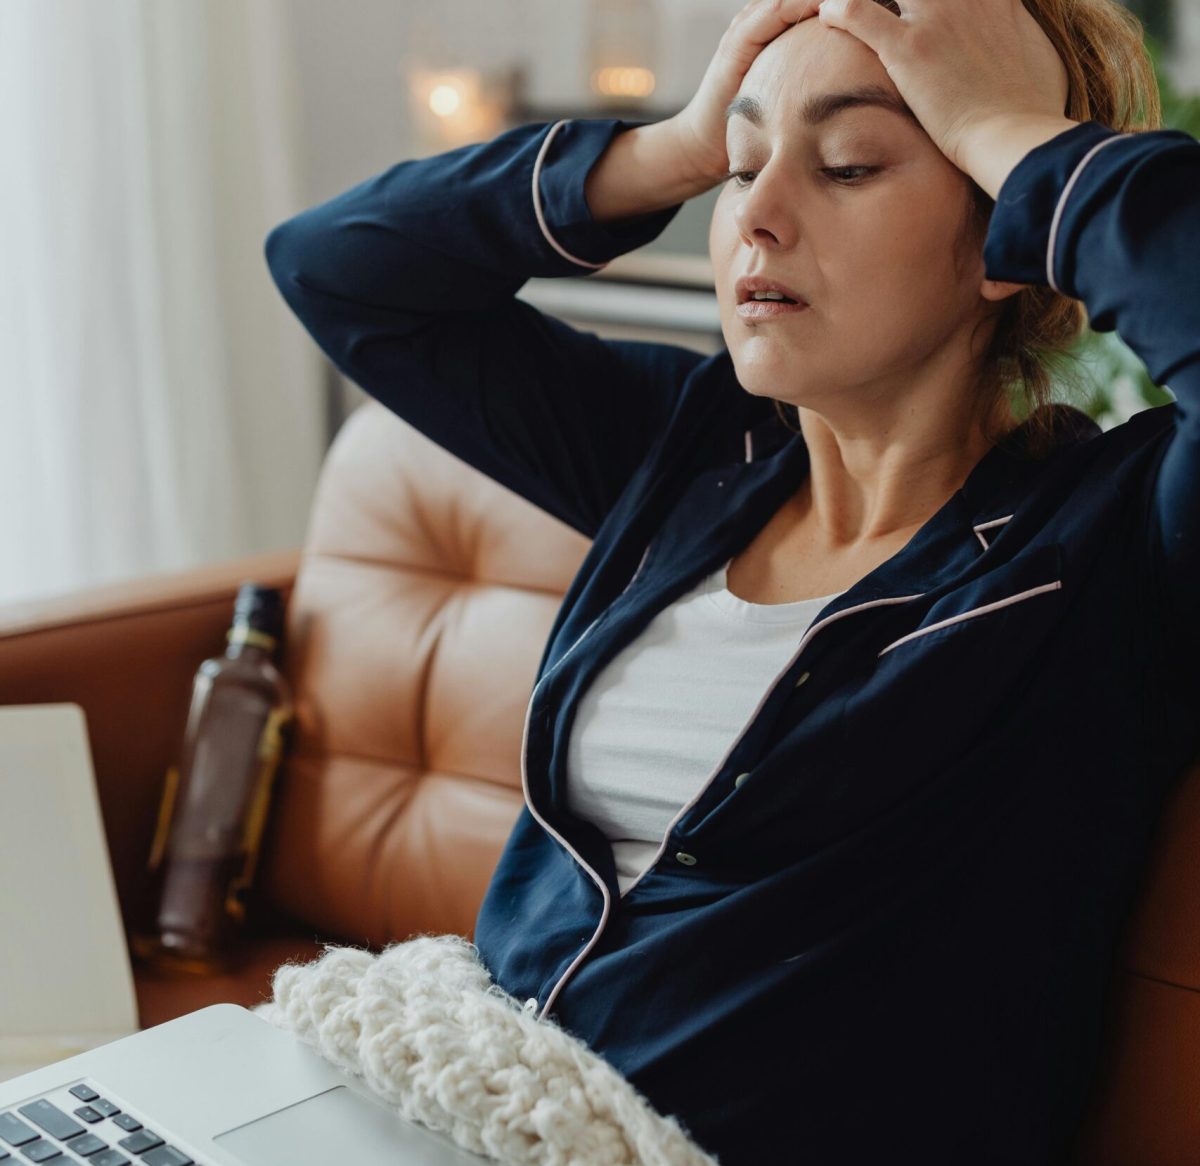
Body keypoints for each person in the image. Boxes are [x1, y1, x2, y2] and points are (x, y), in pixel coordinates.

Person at [263, 0, 1199, 1160]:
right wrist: (674, 146)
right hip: (460, 1104)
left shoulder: (1113, 541)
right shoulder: (696, 447)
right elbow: (335, 269)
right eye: (745, 164)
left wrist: (1011, 126)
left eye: (850, 163)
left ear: (1008, 231)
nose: (753, 214)